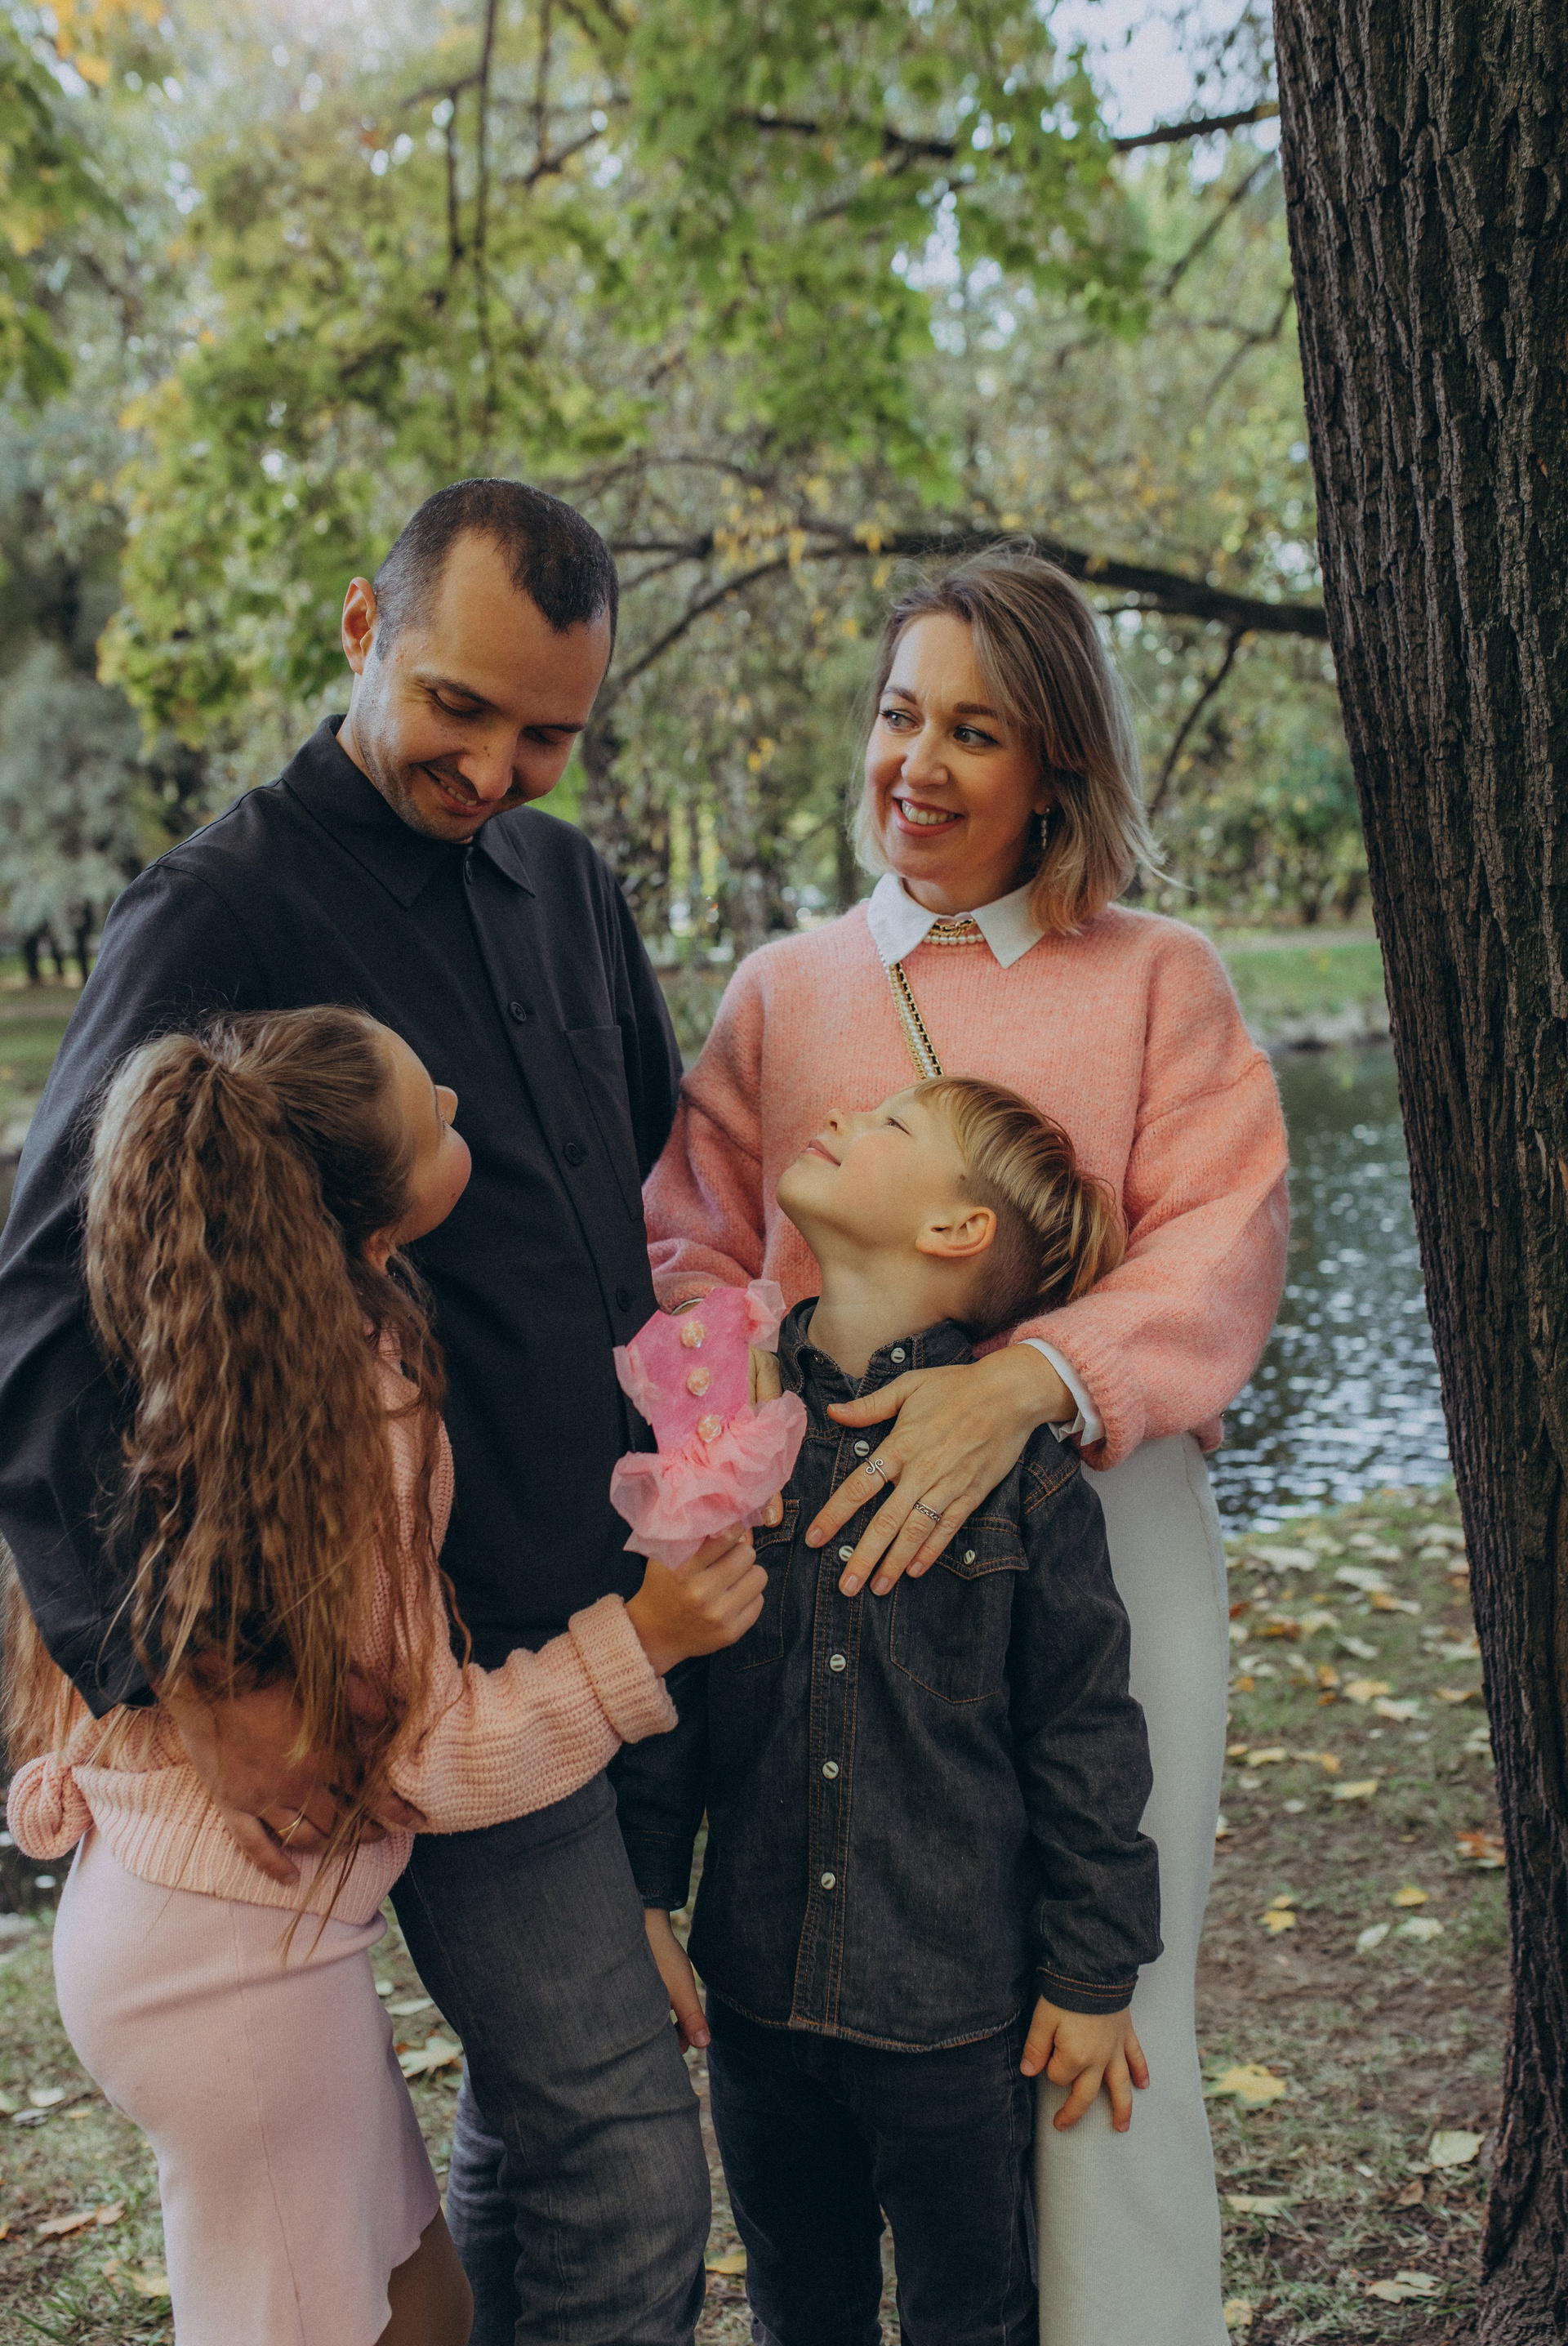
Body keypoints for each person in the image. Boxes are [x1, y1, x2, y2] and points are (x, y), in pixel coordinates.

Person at [0, 481, 710, 2344]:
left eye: (545, 733)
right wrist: (181, 1675)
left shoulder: (570, 887)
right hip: (408, 1675)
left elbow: (639, 1195)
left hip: (603, 1631)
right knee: (627, 2159)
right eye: (458, 707)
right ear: (359, 630)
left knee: (546, 2143)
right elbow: (39, 1315)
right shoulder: (218, 912)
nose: (493, 769)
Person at [643, 547, 1291, 2345]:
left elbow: (1226, 1237)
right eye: (899, 714)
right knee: (861, 1978)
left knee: (1107, 1997)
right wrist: (736, 1452)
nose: (916, 765)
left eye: (976, 731)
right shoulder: (783, 990)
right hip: (839, 1559)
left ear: (1057, 765)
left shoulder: (1158, 979)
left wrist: (1026, 1382)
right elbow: (693, 1247)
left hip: (1105, 1524)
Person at [4, 1008, 767, 2346]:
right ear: (371, 1228)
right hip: (228, 1972)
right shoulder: (356, 1419)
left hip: (218, 1937)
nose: (457, 1101)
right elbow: (414, 1754)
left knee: (424, 2303)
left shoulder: (225, 1348)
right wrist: (643, 1642)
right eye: (436, 1120)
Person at [622, 1075, 1160, 2346]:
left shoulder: (1024, 1482)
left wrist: (1094, 1972)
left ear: (955, 1231)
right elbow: (675, 1689)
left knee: (973, 2316)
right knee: (800, 2311)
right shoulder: (730, 1430)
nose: (848, 1119)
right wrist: (644, 1895)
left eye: (894, 1126)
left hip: (953, 2023)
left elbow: (1084, 1735)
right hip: (757, 2004)